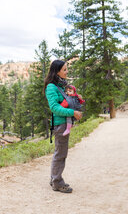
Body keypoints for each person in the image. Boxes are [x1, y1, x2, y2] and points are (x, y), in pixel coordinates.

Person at [44, 60, 82, 193]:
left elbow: (65, 101)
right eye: (64, 69)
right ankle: (57, 183)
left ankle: (54, 178)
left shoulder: (60, 86)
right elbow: (54, 108)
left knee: (60, 152)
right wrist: (73, 112)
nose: (67, 72)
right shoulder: (51, 87)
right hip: (60, 124)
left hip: (63, 123)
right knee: (60, 153)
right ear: (57, 71)